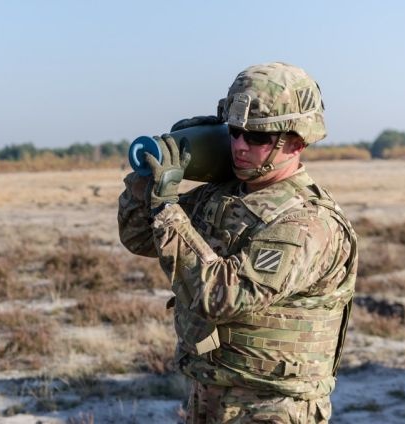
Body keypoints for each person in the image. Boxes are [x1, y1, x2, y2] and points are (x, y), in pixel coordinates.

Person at [117, 62, 357, 423]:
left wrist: (168, 209)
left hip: (272, 407)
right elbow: (138, 237)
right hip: (208, 394)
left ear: (296, 141)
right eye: (234, 131)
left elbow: (221, 297)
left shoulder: (307, 223)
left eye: (257, 137)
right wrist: (146, 181)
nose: (240, 145)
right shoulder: (222, 197)